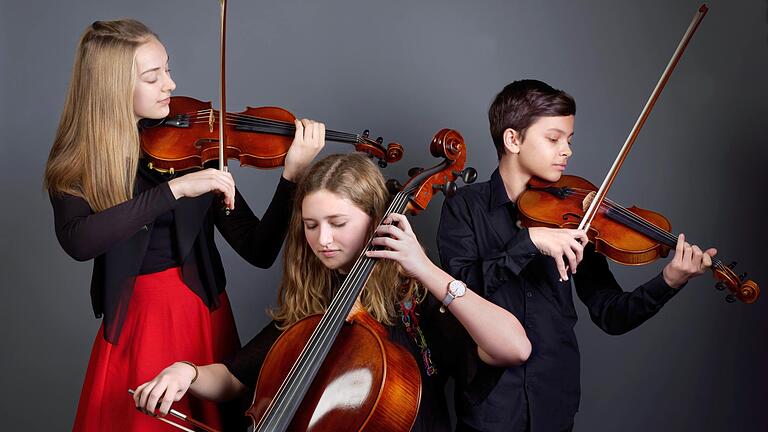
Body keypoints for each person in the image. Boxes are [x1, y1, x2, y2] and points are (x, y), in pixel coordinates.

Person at [44, 19, 325, 431]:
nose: (171, 85)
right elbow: (78, 241)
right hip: (143, 324)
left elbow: (259, 250)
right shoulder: (77, 163)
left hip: (205, 316)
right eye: (153, 77)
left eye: (168, 70)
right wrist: (174, 191)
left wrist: (292, 179)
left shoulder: (194, 147)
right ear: (112, 87)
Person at [133, 153, 532, 431]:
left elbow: (514, 347)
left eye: (338, 223)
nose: (322, 239)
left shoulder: (417, 296)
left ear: (376, 219)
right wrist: (186, 371)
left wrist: (426, 270)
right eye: (311, 225)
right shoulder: (316, 301)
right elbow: (235, 377)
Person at [436, 79, 717, 432]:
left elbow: (611, 314)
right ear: (513, 140)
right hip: (490, 405)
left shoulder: (578, 217)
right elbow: (458, 292)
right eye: (554, 139)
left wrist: (668, 281)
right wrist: (529, 242)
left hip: (555, 404)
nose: (566, 150)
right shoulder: (465, 208)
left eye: (569, 140)